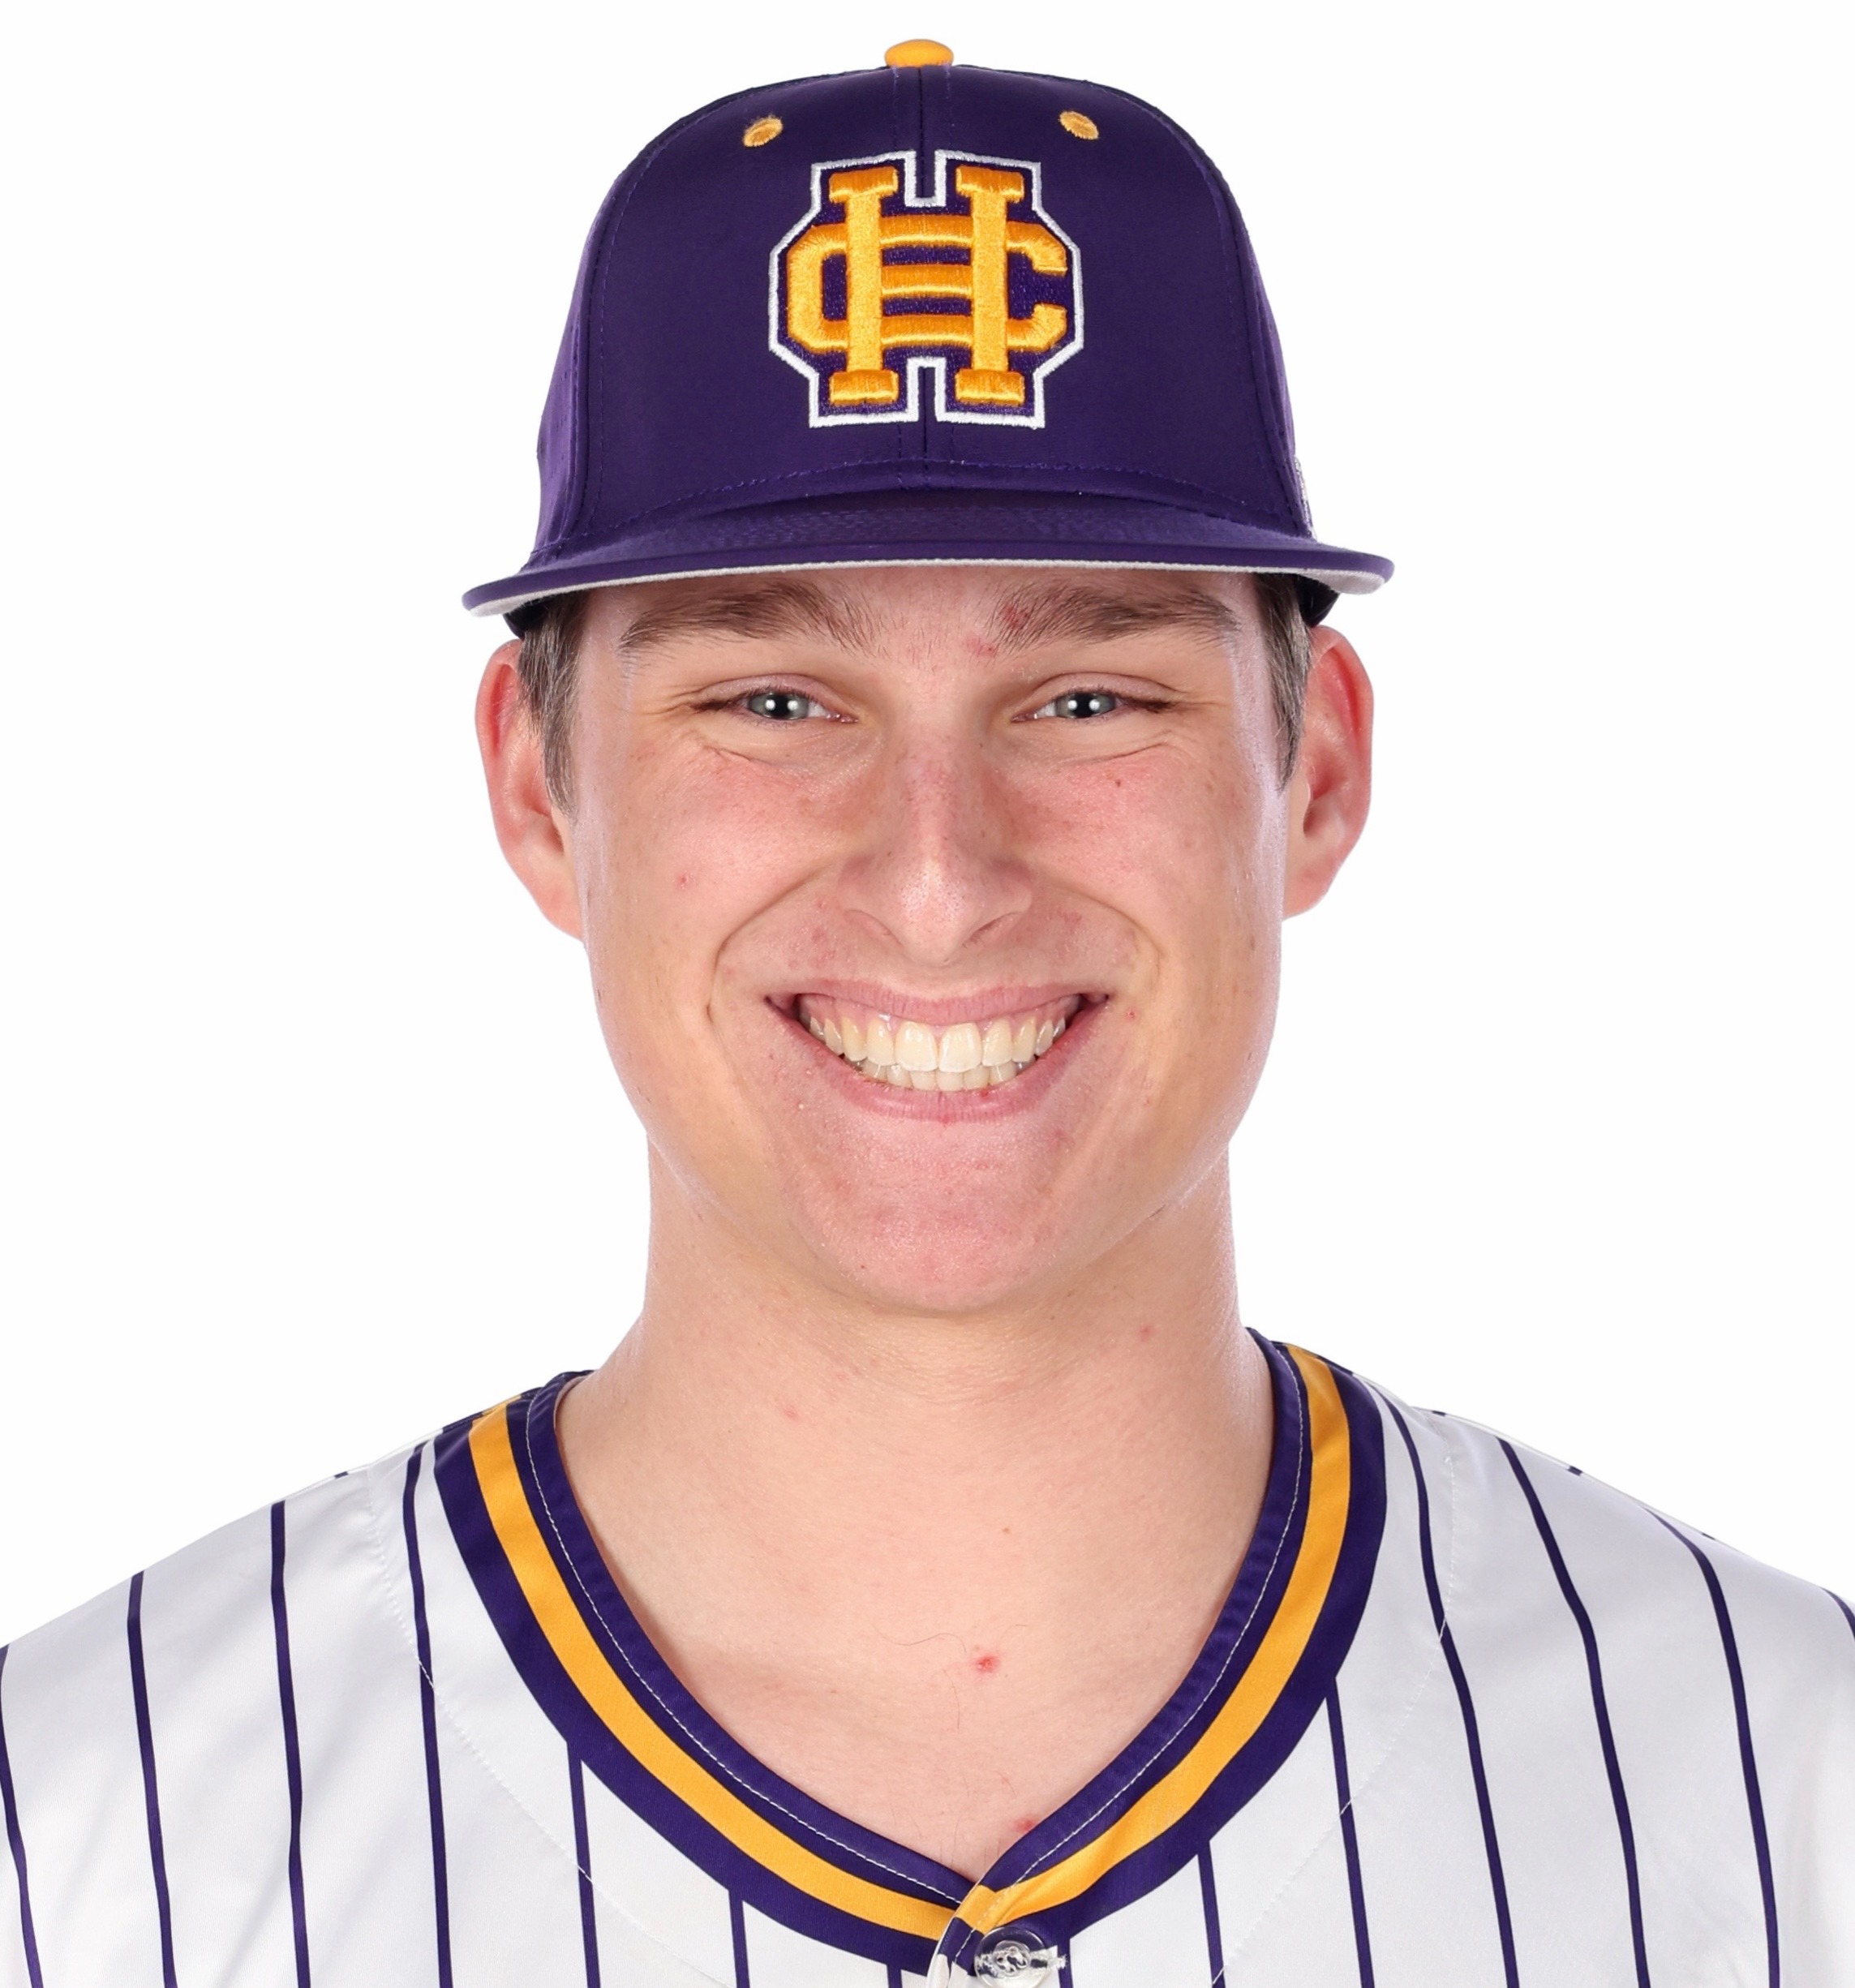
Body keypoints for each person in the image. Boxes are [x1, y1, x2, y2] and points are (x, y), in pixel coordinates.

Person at [1, 41, 1849, 1988]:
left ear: (1312, 773)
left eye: (1089, 698)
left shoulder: (1785, 1785)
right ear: (540, 792)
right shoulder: (81, 1845)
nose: (940, 879)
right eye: (773, 701)